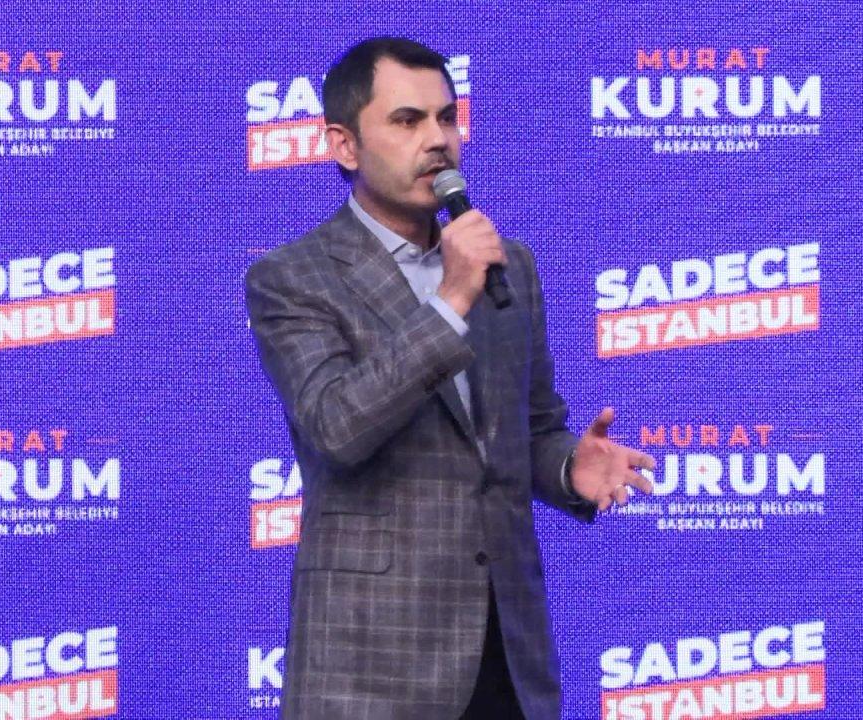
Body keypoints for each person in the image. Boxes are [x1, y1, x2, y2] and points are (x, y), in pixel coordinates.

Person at [245, 36, 656, 720]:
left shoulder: (509, 267)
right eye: (407, 121)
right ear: (344, 145)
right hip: (372, 667)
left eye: (446, 118)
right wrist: (451, 299)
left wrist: (565, 467)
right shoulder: (292, 278)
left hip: (507, 655)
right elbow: (337, 427)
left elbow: (529, 429)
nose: (437, 140)